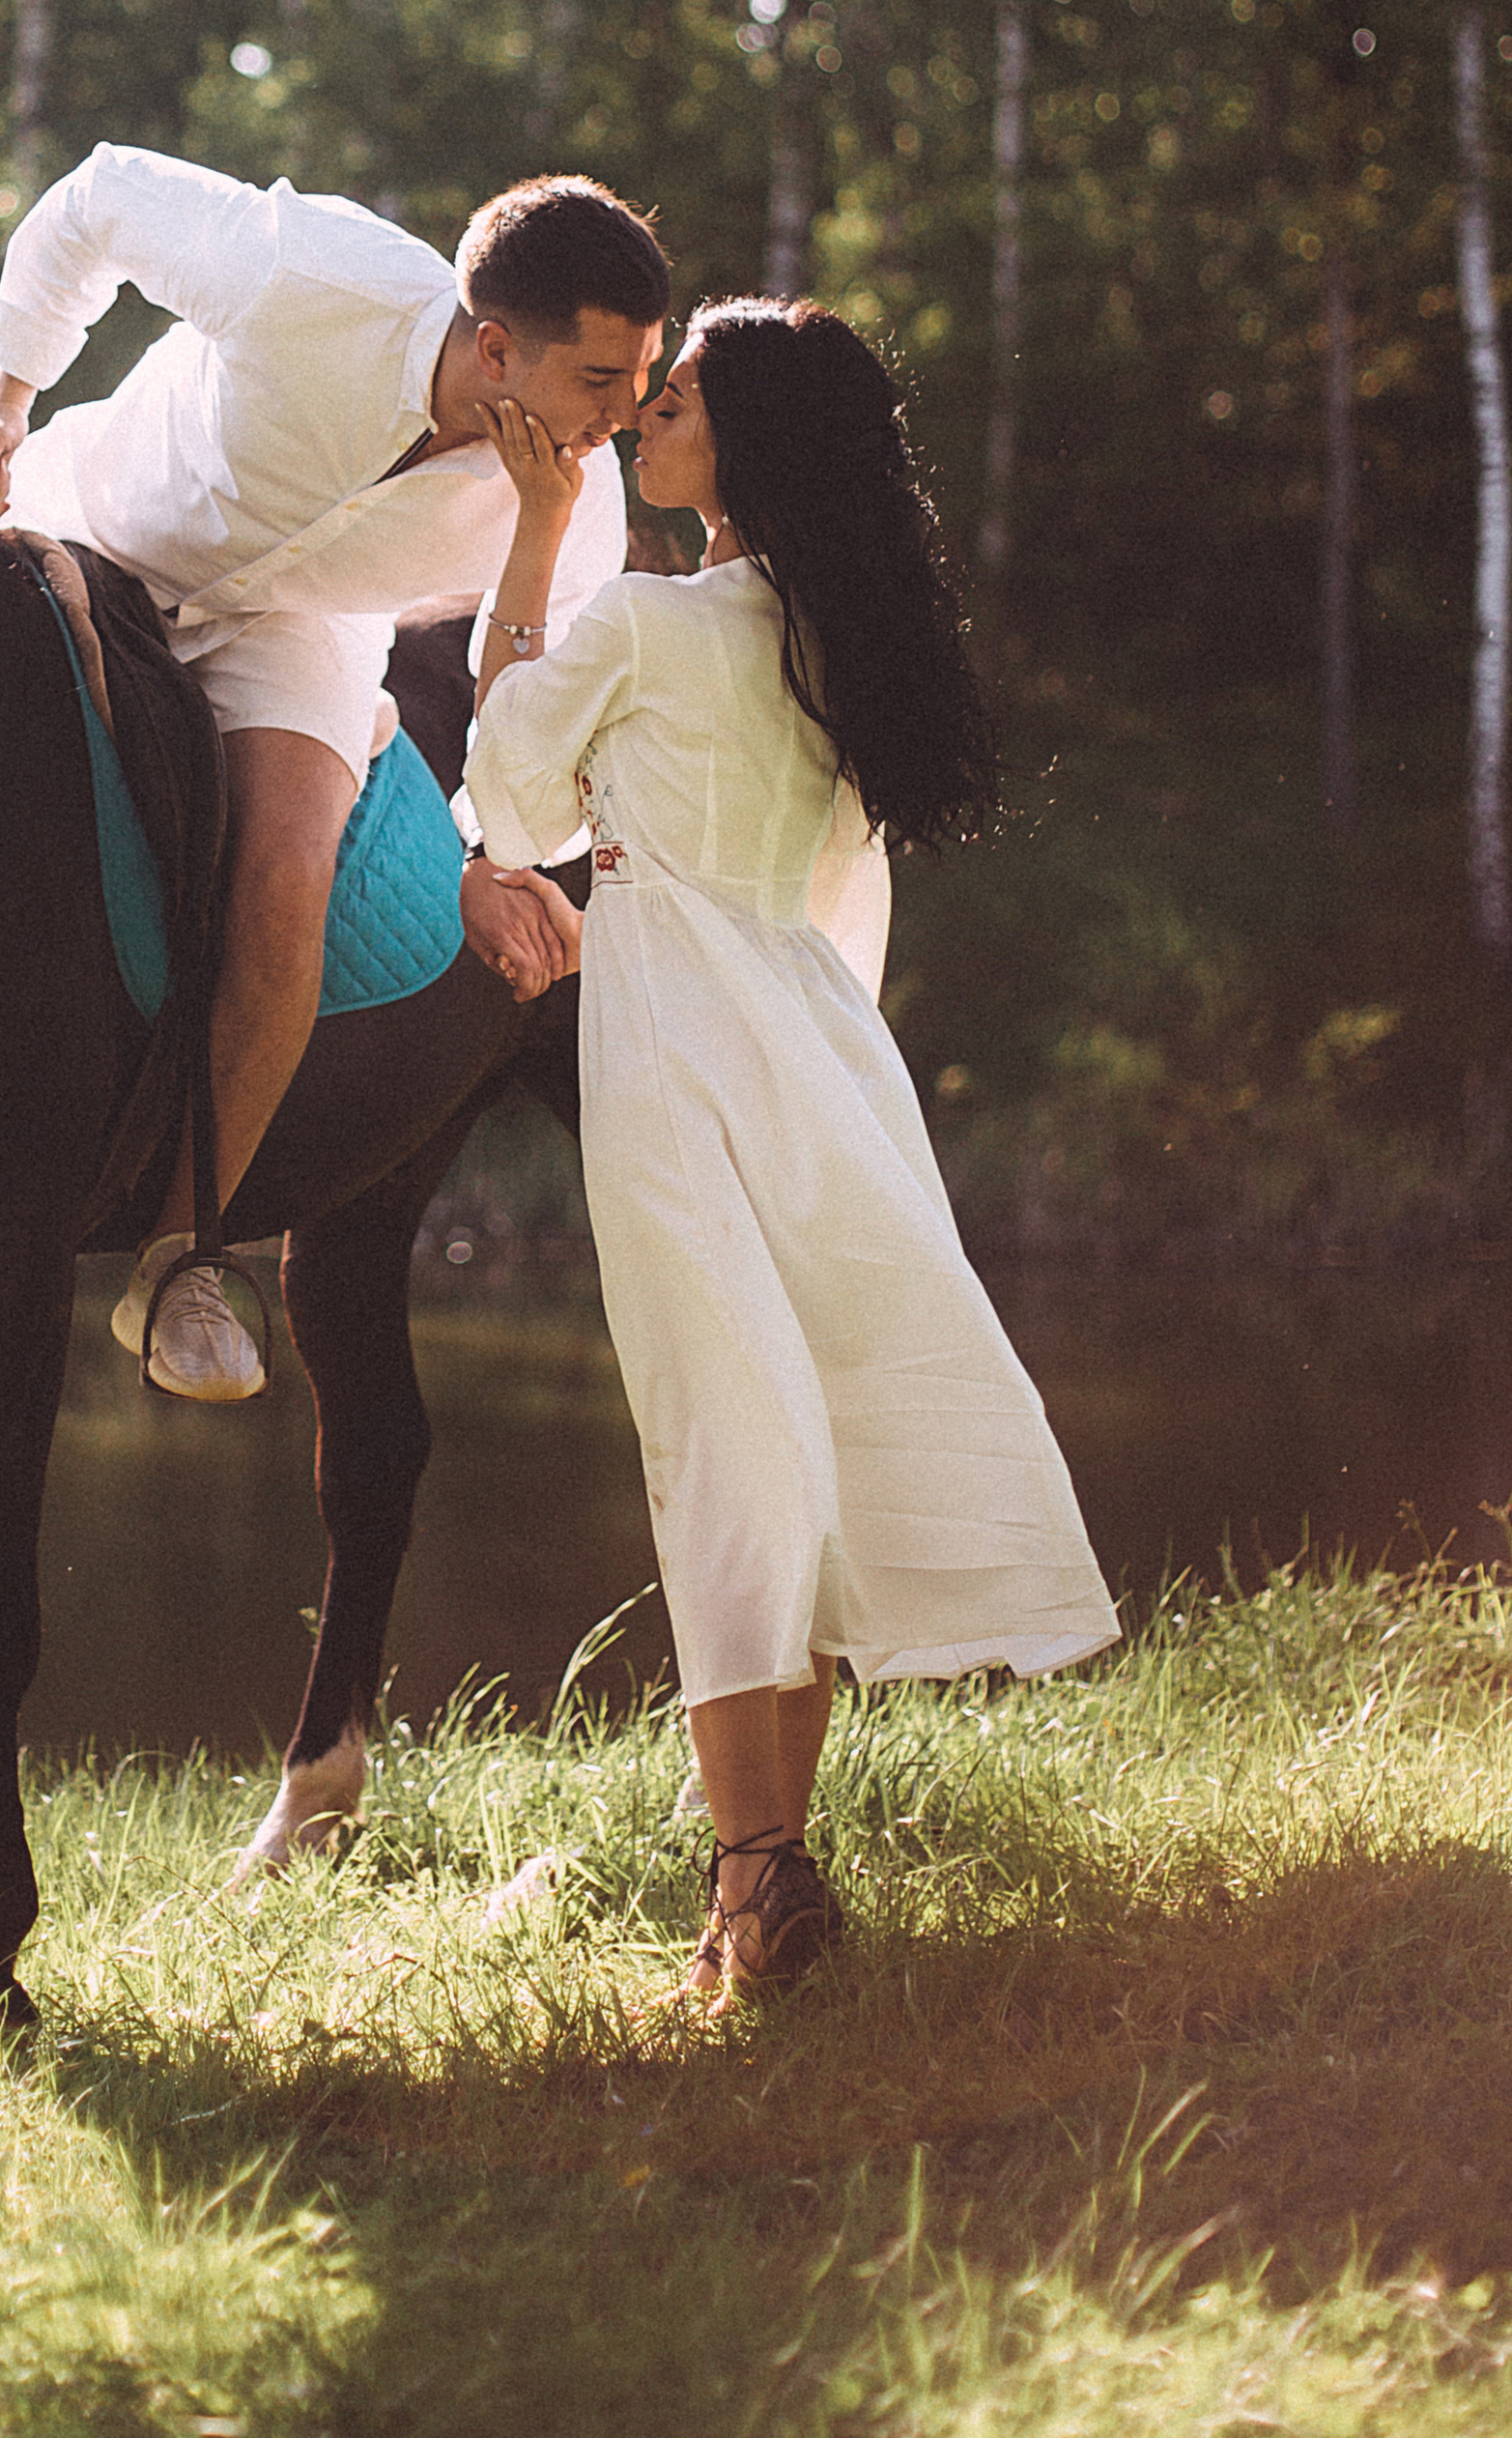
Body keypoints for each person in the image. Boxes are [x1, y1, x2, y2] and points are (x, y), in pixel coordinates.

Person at [463, 298, 1118, 2003]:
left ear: (737, 441)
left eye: (670, 396)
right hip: (824, 1050)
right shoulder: (845, 645)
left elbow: (509, 803)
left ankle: (756, 1896)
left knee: (719, 1444)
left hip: (681, 1053)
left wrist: (538, 536)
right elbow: (836, 896)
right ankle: (771, 1877)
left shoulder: (650, 622)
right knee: (792, 1441)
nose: (643, 415)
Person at [0, 146, 670, 1399]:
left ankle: (181, 1256)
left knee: (287, 879)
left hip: (299, 630)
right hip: (98, 526)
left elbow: (520, 728)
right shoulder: (309, 273)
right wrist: (9, 399)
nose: (621, 416)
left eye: (644, 380)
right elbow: (103, 196)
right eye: (601, 378)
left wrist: (542, 532)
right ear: (496, 349)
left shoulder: (587, 500)